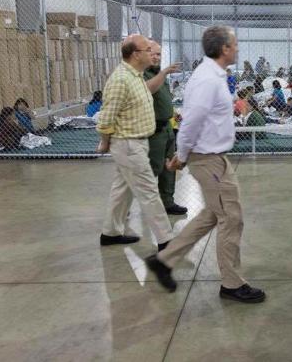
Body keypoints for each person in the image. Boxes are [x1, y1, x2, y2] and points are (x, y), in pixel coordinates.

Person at [146, 25, 266, 304]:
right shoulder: (207, 79)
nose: (237, 48)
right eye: (234, 44)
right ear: (224, 48)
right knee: (231, 218)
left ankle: (164, 260)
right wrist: (182, 156)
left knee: (213, 215)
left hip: (215, 157)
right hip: (207, 159)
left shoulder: (214, 75)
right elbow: (190, 122)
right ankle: (232, 283)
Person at [96, 34, 174, 252]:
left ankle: (110, 233)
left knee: (122, 190)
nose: (153, 54)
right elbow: (106, 117)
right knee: (149, 191)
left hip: (137, 143)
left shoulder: (136, 76)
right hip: (128, 145)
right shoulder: (121, 79)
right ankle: (166, 241)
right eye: (148, 50)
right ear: (135, 54)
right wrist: (104, 142)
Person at [145, 41, 187, 216]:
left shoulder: (158, 75)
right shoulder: (142, 74)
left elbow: (163, 99)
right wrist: (163, 73)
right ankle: (135, 204)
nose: (156, 57)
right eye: (152, 53)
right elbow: (148, 90)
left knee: (169, 168)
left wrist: (173, 113)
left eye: (159, 54)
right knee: (150, 169)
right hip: (153, 131)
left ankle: (167, 202)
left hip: (167, 127)